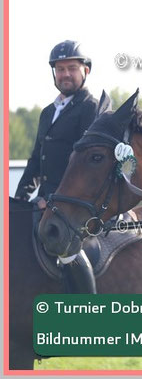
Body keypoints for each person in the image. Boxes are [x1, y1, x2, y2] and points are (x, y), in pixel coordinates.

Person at [15, 40, 98, 293]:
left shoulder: (91, 108)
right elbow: (35, 161)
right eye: (60, 69)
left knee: (66, 250)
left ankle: (88, 305)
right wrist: (19, 198)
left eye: (71, 68)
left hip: (71, 205)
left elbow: (85, 167)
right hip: (45, 200)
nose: (65, 74)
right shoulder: (48, 112)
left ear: (86, 71)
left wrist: (52, 199)